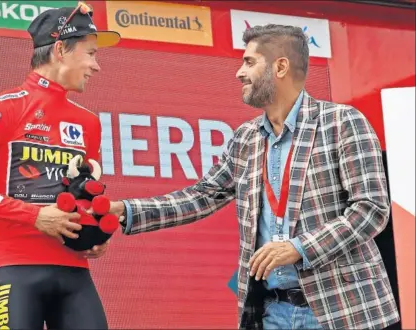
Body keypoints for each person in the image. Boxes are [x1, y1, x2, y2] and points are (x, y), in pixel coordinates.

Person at [108, 24, 400, 329]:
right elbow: (202, 196)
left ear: (281, 66)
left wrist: (298, 248)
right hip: (270, 312)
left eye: (249, 62)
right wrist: (127, 211)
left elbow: (371, 209)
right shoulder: (246, 137)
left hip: (343, 312)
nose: (239, 73)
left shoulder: (342, 122)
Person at [0, 3, 120, 329]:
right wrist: (35, 216)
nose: (96, 66)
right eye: (91, 53)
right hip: (15, 263)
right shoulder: (2, 108)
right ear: (60, 50)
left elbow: (83, 192)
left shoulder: (89, 123)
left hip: (74, 268)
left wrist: (95, 232)